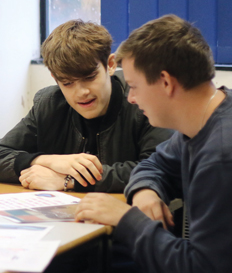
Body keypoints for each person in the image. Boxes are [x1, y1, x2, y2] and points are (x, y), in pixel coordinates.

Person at [75, 15, 232, 272]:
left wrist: (126, 219)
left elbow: (200, 267)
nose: (131, 98)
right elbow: (154, 165)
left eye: (134, 86)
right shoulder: (202, 122)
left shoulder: (221, 157)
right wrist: (144, 190)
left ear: (166, 82)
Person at [0, 20, 171, 192]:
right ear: (55, 78)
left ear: (110, 65)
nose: (81, 92)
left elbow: (159, 169)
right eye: (67, 83)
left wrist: (69, 180)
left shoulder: (142, 102)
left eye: (90, 77)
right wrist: (47, 160)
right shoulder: (49, 103)